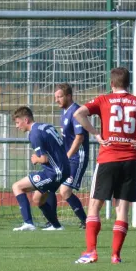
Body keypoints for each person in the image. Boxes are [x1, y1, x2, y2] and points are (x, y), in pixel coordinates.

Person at [73, 67, 136, 264]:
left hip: (108, 157)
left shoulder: (104, 100)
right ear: (128, 83)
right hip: (130, 159)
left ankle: (91, 251)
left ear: (112, 83)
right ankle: (116, 255)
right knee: (122, 209)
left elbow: (79, 113)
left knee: (94, 205)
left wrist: (95, 134)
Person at [11, 106, 70, 231]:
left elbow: (44, 159)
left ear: (26, 120)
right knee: (38, 199)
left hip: (54, 173)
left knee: (17, 186)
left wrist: (35, 159)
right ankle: (57, 226)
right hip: (64, 169)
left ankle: (28, 223)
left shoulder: (34, 134)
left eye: (17, 122)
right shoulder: (46, 126)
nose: (17, 126)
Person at [46, 83, 89, 230]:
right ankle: (52, 220)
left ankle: (86, 221)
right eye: (55, 97)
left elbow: (79, 138)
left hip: (78, 157)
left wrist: (67, 156)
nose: (56, 100)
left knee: (64, 191)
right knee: (50, 183)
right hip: (68, 157)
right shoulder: (64, 112)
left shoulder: (76, 111)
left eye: (59, 97)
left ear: (69, 96)